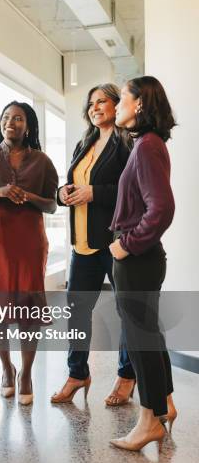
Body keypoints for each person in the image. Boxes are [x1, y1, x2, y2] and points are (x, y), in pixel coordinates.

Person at [0, 101, 58, 405]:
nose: (10, 122)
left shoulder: (42, 162)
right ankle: (7, 368)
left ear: (28, 126)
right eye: (6, 117)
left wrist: (29, 196)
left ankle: (27, 373)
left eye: (17, 118)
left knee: (29, 308)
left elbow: (51, 205)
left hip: (29, 242)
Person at [50, 84, 136, 405]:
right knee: (77, 310)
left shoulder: (127, 143)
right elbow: (74, 182)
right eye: (91, 103)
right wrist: (63, 193)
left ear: (116, 105)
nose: (95, 107)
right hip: (82, 243)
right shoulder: (84, 143)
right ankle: (77, 374)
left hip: (114, 242)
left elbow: (134, 189)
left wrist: (94, 193)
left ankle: (127, 376)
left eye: (102, 101)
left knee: (126, 309)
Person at [109, 75, 177, 451]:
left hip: (137, 258)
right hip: (143, 259)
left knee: (140, 341)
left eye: (121, 98)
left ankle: (149, 421)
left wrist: (127, 245)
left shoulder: (147, 146)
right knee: (148, 336)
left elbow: (162, 208)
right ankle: (164, 404)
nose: (117, 105)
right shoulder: (146, 144)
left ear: (138, 105)